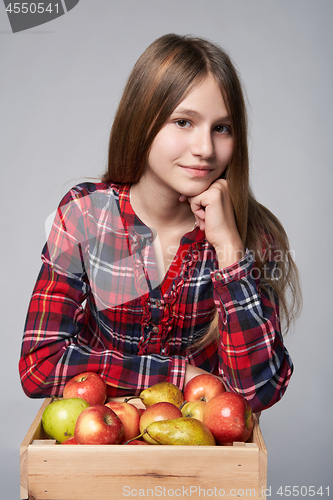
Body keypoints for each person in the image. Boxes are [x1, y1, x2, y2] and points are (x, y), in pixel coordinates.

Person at [19, 34, 301, 413]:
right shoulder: (87, 215)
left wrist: (229, 252)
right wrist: (177, 375)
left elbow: (257, 394)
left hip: (201, 460)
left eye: (222, 128)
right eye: (183, 122)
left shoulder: (253, 233)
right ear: (142, 120)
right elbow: (40, 365)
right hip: (99, 452)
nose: (205, 149)